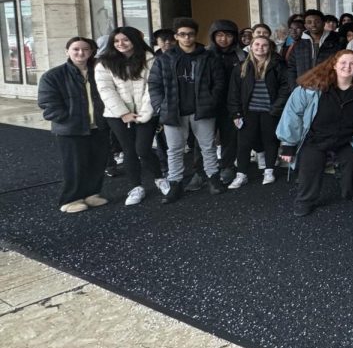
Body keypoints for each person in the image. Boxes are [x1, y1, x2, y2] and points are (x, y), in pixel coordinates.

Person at [276, 49, 353, 217]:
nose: (347, 67)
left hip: (347, 139)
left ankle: (350, 191)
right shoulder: (312, 88)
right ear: (334, 65)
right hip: (315, 139)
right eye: (343, 63)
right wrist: (288, 144)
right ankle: (305, 200)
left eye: (352, 63)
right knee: (310, 166)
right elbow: (292, 114)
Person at [149, 18, 227, 202]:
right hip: (174, 111)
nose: (187, 38)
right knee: (174, 149)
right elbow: (154, 84)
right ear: (176, 36)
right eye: (182, 34)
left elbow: (219, 82)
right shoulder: (165, 59)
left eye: (190, 34)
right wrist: (160, 106)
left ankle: (213, 179)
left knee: (208, 147)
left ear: (195, 35)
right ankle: (175, 184)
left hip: (202, 109)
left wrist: (212, 100)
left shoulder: (208, 56)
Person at [38, 37, 109, 214]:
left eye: (85, 49)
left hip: (98, 126)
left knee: (97, 162)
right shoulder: (54, 75)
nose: (81, 53)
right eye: (76, 49)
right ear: (67, 51)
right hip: (71, 129)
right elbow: (47, 102)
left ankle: (92, 194)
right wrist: (66, 118)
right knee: (75, 165)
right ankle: (70, 199)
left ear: (92, 52)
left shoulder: (98, 71)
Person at [95, 26, 162, 206]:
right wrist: (123, 113)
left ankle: (159, 178)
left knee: (143, 149)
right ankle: (136, 187)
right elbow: (106, 90)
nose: (121, 44)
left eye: (125, 39)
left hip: (145, 112)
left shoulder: (150, 59)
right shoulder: (104, 63)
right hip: (116, 114)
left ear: (135, 40)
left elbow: (153, 87)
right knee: (129, 150)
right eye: (116, 41)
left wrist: (145, 113)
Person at [226, 36, 289, 189]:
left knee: (270, 140)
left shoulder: (277, 65)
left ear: (270, 47)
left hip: (270, 111)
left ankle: (269, 170)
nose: (260, 47)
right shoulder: (241, 66)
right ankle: (241, 174)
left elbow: (285, 88)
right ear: (251, 46)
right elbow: (233, 92)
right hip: (248, 112)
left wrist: (276, 108)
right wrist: (236, 113)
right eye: (257, 44)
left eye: (264, 45)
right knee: (244, 143)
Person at [208, 19, 246, 184]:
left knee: (229, 136)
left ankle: (227, 166)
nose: (224, 39)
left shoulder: (241, 54)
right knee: (205, 137)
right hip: (209, 101)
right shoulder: (206, 53)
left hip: (232, 101)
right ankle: (201, 170)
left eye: (228, 35)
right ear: (213, 36)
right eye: (220, 35)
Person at [288, 9, 343, 83]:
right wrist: (295, 87)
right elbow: (292, 68)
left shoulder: (337, 42)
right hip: (303, 88)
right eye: (309, 22)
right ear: (305, 25)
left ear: (323, 23)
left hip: (329, 87)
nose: (313, 24)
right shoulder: (299, 45)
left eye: (317, 22)